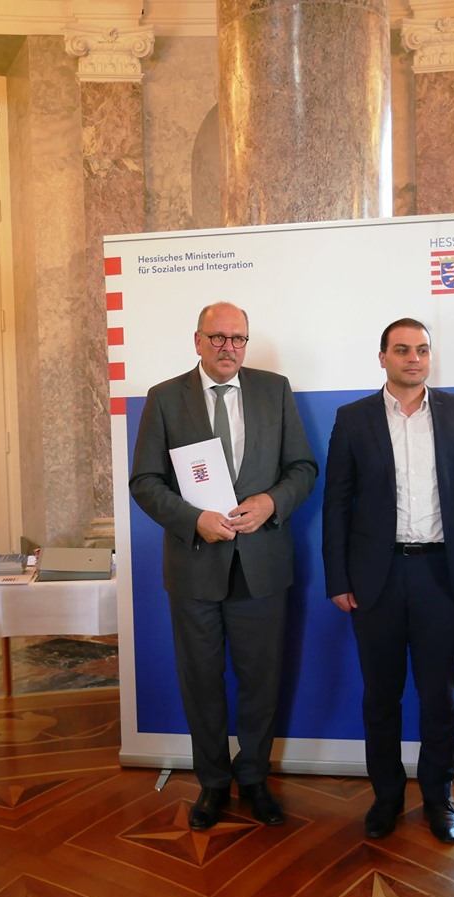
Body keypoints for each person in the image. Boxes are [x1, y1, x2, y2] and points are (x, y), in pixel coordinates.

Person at [129, 301, 317, 829]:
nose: (228, 347)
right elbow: (144, 481)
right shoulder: (165, 398)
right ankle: (212, 783)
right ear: (197, 341)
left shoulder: (275, 390)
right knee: (201, 681)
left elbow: (303, 467)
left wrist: (271, 502)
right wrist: (194, 520)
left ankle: (254, 777)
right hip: (195, 565)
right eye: (217, 337)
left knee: (262, 679)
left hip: (262, 564)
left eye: (238, 338)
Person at [322, 318, 454, 845]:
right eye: (402, 350)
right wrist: (338, 577)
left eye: (422, 350)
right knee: (381, 696)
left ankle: (439, 797)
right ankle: (387, 797)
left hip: (442, 575)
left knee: (441, 698)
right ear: (383, 358)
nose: (414, 358)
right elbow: (336, 505)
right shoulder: (353, 419)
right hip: (376, 578)